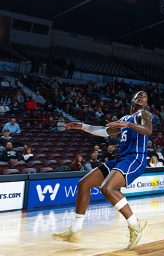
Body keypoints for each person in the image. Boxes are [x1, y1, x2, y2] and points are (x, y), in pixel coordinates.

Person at [52, 91, 152, 250]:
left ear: (146, 103)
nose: (141, 97)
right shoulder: (124, 119)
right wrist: (82, 126)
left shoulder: (143, 114)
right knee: (83, 184)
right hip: (122, 158)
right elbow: (103, 132)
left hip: (135, 158)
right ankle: (75, 230)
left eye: (145, 97)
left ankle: (135, 225)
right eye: (138, 95)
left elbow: (148, 130)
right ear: (132, 99)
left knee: (107, 188)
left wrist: (126, 125)